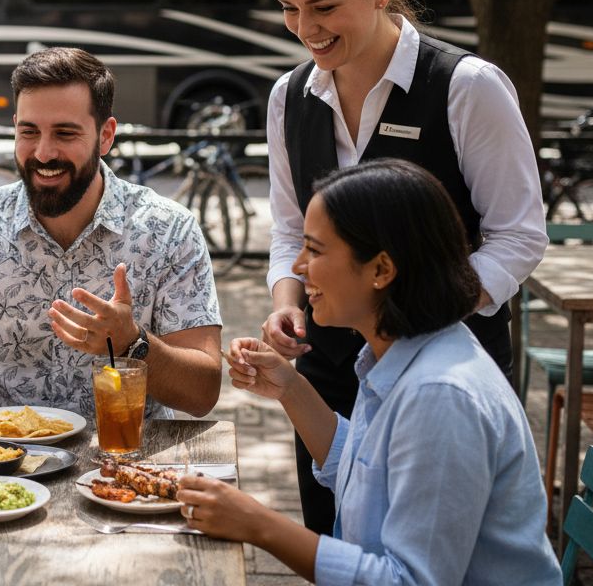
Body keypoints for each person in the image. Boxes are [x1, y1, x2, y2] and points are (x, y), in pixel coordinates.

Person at [261, 0, 547, 534]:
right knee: (334, 547)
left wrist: (412, 314)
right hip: (331, 370)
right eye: (289, 7)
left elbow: (520, 236)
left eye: (324, 7)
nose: (305, 27)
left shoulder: (467, 86)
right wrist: (287, 300)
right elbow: (288, 230)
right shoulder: (288, 98)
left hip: (443, 373)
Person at [178, 159, 560, 584]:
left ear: (381, 270)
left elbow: (409, 580)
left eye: (315, 250)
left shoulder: (440, 394)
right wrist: (290, 388)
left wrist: (259, 524)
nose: (299, 266)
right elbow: (361, 471)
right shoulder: (399, 351)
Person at [0, 47, 223, 418]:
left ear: (106, 136)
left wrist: (132, 344)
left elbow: (203, 393)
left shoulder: (169, 231)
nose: (42, 153)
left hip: (127, 457)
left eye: (64, 133)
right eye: (29, 132)